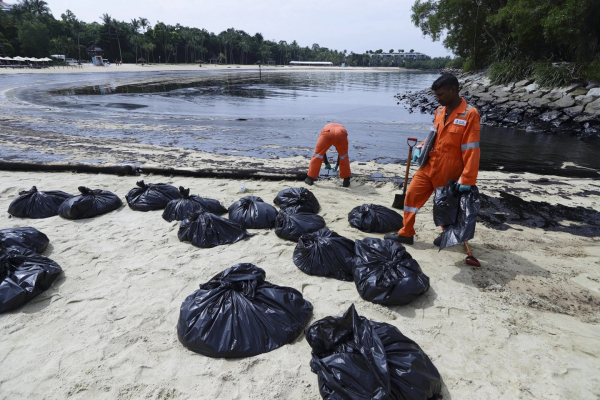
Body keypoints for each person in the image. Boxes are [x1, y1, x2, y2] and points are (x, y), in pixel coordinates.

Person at [385, 74, 480, 245]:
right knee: (411, 196)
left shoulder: (470, 114)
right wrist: (421, 148)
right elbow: (432, 136)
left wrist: (467, 178)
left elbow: (471, 149)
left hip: (450, 168)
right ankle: (406, 233)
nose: (437, 99)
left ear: (453, 90)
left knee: (444, 205)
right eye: (435, 95)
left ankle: (447, 235)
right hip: (429, 164)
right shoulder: (439, 111)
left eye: (440, 95)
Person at [305, 123, 351, 187]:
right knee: (344, 156)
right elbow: (341, 154)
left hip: (327, 131)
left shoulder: (324, 129)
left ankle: (310, 178)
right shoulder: (341, 127)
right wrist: (337, 165)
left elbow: (322, 152)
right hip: (341, 132)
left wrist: (326, 163)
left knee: (317, 155)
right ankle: (346, 180)